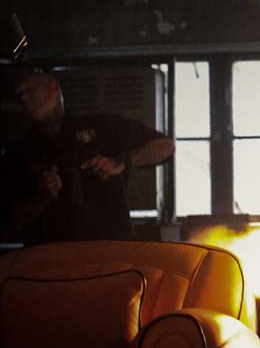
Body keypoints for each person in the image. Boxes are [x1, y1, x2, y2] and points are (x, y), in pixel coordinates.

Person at [0, 72, 175, 244]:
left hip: (111, 249)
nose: (24, 97)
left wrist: (122, 162)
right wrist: (41, 197)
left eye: (30, 89)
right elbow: (9, 219)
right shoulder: (19, 151)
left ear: (54, 87)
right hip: (51, 255)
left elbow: (165, 146)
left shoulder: (103, 127)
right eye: (19, 95)